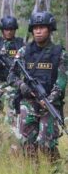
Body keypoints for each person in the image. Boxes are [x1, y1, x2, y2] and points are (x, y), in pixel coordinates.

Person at [7, 11, 68, 162]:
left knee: (47, 145)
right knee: (28, 145)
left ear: (50, 29)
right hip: (28, 103)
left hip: (50, 105)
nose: (38, 31)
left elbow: (61, 81)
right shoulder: (23, 52)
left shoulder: (60, 53)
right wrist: (22, 86)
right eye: (35, 28)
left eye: (42, 27)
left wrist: (49, 99)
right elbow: (11, 76)